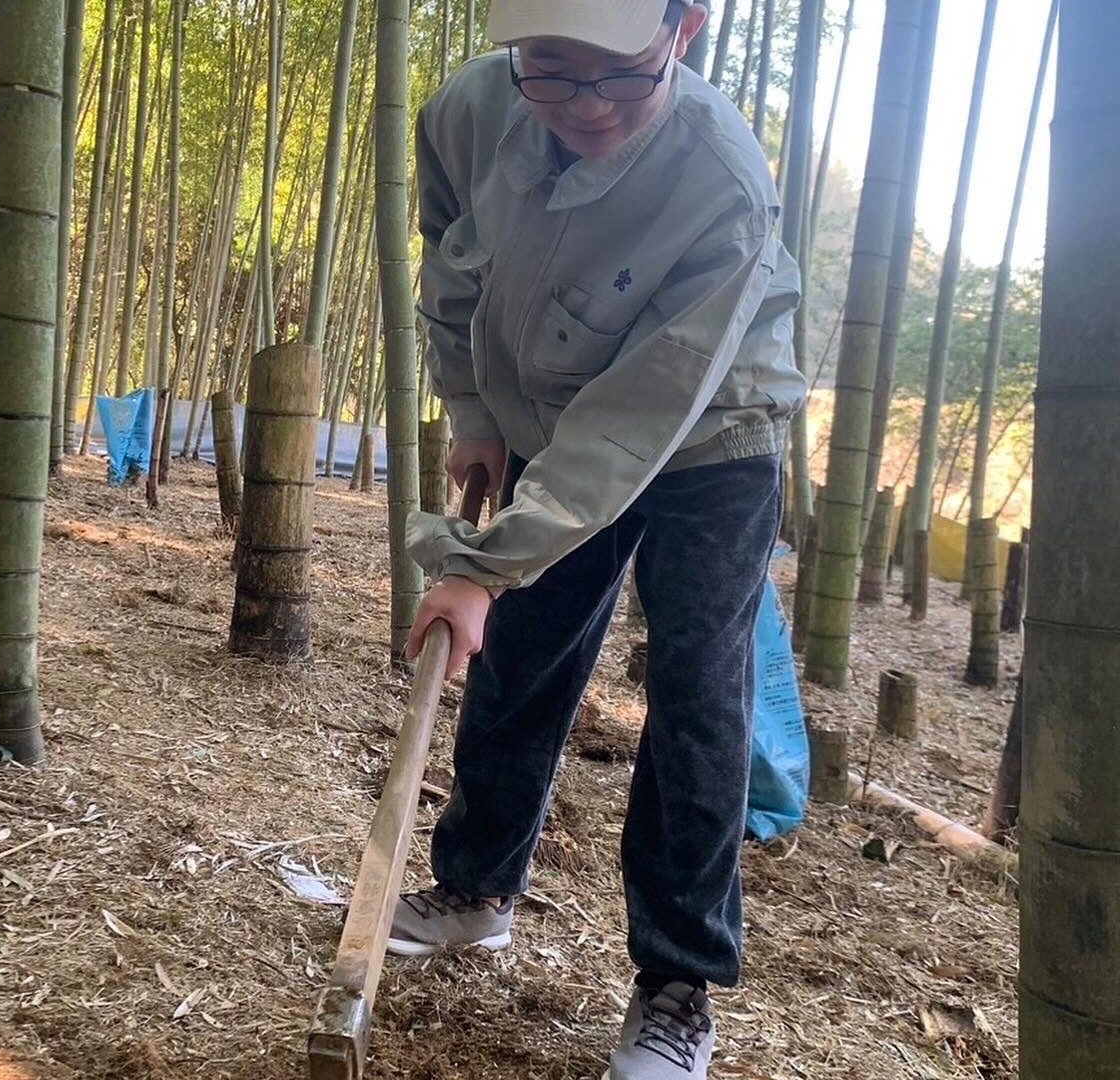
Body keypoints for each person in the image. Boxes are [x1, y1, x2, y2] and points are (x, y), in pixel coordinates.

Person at [392, 0, 805, 1076]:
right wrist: (473, 411)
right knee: (523, 651)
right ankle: (475, 890)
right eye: (550, 71)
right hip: (548, 413)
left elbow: (638, 416)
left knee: (696, 688)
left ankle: (678, 981)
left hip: (713, 433)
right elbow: (448, 264)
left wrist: (482, 566)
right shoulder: (467, 112)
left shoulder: (721, 181)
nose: (587, 107)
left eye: (620, 76)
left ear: (684, 30)